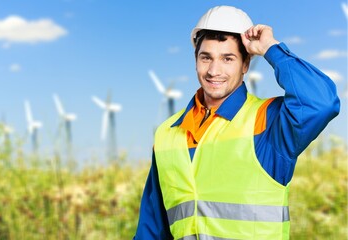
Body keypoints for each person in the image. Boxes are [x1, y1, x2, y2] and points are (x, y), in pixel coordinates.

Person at [133, 5, 340, 240]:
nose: (213, 70)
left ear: (245, 65)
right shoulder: (166, 134)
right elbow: (151, 228)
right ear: (195, 60)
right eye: (206, 57)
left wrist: (271, 49)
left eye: (227, 58)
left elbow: (322, 102)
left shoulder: (268, 122)